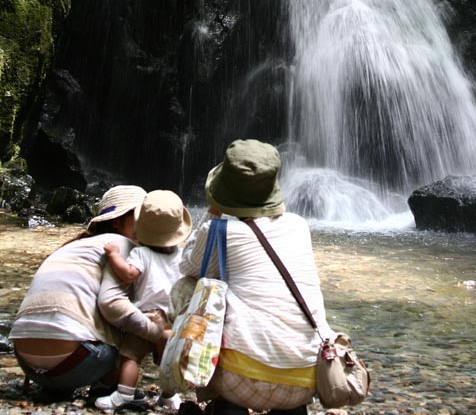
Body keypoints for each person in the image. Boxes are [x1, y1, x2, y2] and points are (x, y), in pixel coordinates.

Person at [179, 139, 332, 415]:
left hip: (242, 382)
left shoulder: (221, 230)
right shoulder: (299, 226)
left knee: (187, 287)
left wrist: (212, 212)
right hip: (308, 377)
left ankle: (224, 403)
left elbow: (187, 266)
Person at [9, 185, 168, 399]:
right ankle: (106, 387)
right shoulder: (125, 248)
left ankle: (56, 387)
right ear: (117, 221)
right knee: (144, 315)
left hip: (27, 362)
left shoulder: (73, 245)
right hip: (75, 364)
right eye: (141, 217)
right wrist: (157, 335)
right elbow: (112, 305)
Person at [95, 189, 192, 412]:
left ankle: (123, 395)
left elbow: (128, 274)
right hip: (171, 319)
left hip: (146, 315)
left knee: (130, 357)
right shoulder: (181, 255)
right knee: (168, 362)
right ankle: (168, 396)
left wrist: (113, 255)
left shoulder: (140, 253)